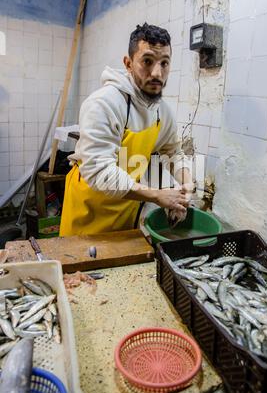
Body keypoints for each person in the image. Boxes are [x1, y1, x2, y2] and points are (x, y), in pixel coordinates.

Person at [60, 23, 194, 236]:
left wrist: (187, 186)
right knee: (79, 266)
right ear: (128, 63)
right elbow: (100, 173)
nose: (157, 73)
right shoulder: (104, 103)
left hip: (126, 204)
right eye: (147, 61)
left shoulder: (163, 112)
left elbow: (173, 152)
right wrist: (156, 195)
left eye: (164, 63)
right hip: (89, 206)